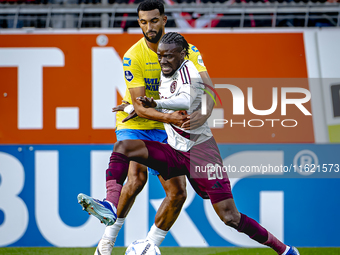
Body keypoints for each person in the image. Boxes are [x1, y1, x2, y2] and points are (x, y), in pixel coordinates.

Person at [78, 32, 300, 255]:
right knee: (123, 147)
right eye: (160, 56)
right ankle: (109, 203)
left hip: (201, 153)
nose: (163, 61)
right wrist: (131, 108)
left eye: (169, 56)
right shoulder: (167, 73)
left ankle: (284, 250)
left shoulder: (189, 72)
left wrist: (155, 102)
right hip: (175, 151)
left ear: (183, 55)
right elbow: (165, 106)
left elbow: (185, 100)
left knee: (230, 217)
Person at [78, 1, 215, 254]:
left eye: (154, 21)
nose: (149, 27)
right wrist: (172, 117)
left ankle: (148, 246)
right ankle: (106, 243)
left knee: (178, 193)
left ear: (164, 20)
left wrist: (202, 114)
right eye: (143, 22)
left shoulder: (187, 50)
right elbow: (140, 108)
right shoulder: (134, 55)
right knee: (137, 177)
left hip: (167, 124)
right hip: (138, 122)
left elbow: (209, 89)